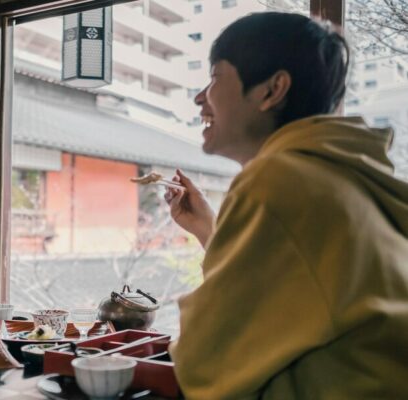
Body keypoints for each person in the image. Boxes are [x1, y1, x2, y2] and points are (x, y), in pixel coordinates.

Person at [164, 12, 408, 399]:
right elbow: (302, 293)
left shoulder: (278, 180)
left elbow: (203, 364)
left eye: (214, 77)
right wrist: (210, 233)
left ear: (272, 89)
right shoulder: (344, 174)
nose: (200, 97)